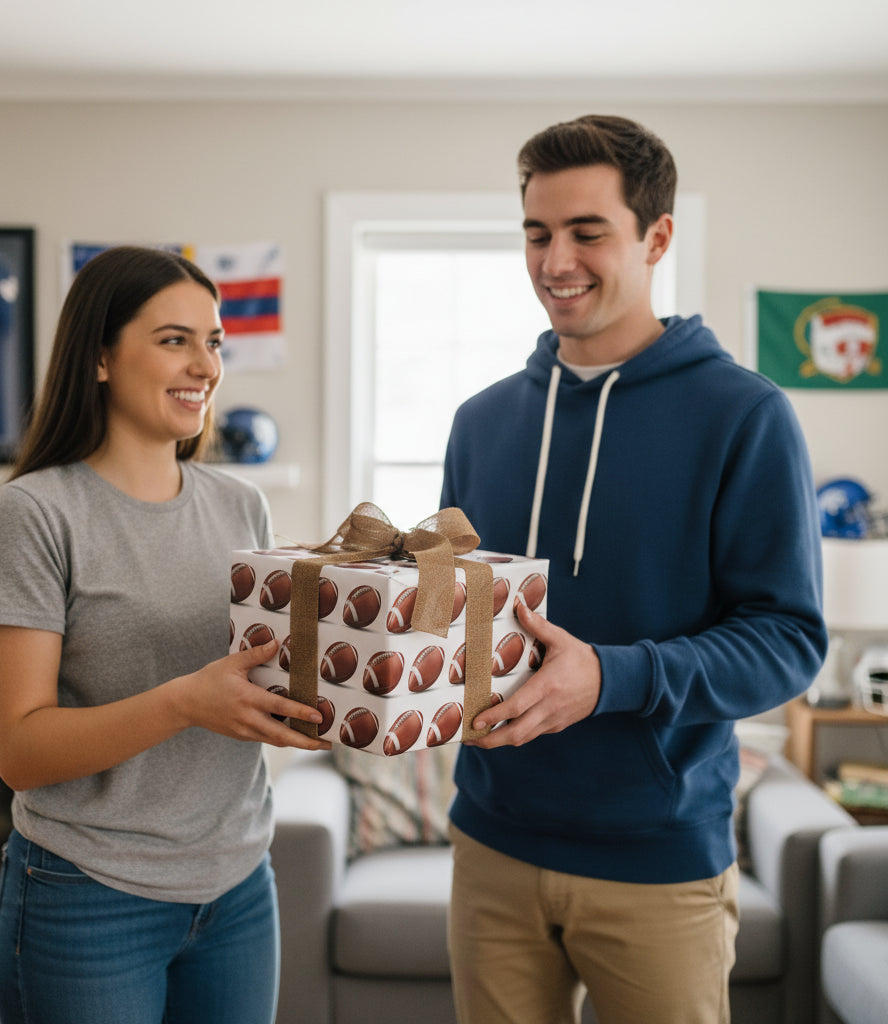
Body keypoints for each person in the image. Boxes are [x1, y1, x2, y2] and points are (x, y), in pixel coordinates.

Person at [440, 115, 827, 1024]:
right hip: (490, 845)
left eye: (586, 232)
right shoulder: (481, 421)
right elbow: (460, 608)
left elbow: (788, 641)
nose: (554, 260)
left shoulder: (744, 416)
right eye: (537, 233)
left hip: (659, 861)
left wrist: (613, 677)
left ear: (657, 237)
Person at [0, 245, 330, 1024]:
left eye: (215, 341)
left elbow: (245, 686)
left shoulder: (241, 506)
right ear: (99, 358)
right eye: (174, 340)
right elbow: (20, 752)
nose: (205, 365)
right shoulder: (33, 516)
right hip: (87, 895)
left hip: (237, 886)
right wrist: (185, 702)